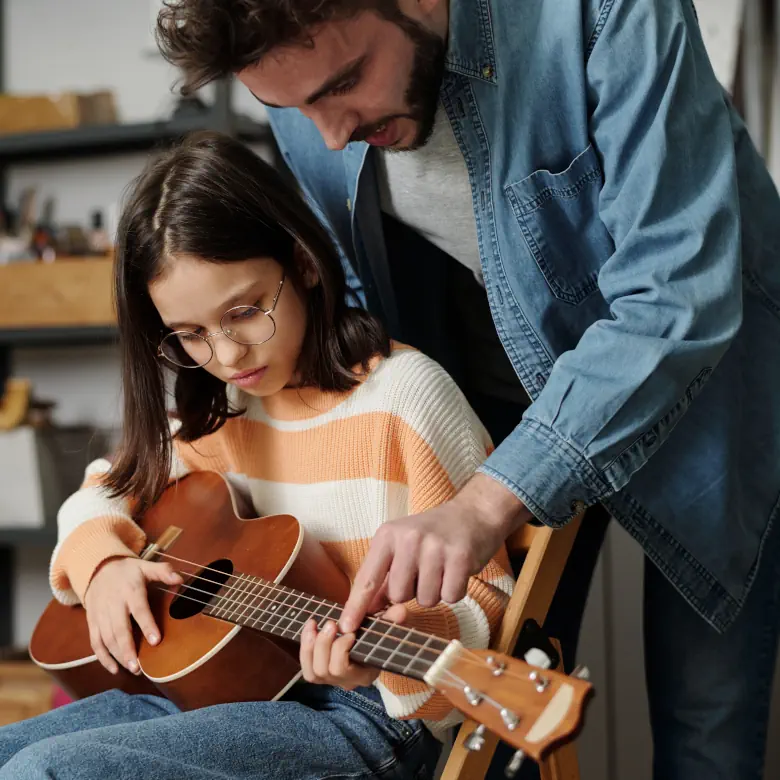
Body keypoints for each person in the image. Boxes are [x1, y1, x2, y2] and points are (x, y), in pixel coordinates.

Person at [155, 1, 780, 778]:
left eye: (345, 83)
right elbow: (352, 288)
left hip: (711, 390)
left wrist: (489, 501)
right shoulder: (311, 98)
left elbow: (676, 292)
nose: (330, 134)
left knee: (706, 732)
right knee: (500, 737)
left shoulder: (608, 11)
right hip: (497, 394)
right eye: (291, 107)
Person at [0, 132, 515, 780]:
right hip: (210, 694)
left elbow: (489, 599)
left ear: (301, 262)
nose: (227, 355)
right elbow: (106, 486)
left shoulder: (405, 397)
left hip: (360, 716)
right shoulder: (217, 409)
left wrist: (390, 644)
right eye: (190, 335)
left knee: (44, 773)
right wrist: (102, 564)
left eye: (243, 312)